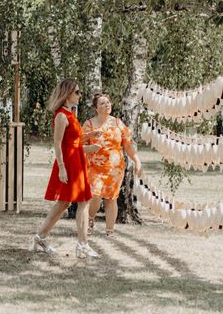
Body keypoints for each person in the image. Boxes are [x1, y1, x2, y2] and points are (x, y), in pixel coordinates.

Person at [30, 79, 102, 258]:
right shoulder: (62, 115)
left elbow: (73, 142)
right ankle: (83, 244)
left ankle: (41, 237)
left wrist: (89, 137)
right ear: (68, 94)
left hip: (76, 162)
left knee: (64, 203)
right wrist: (62, 168)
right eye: (77, 92)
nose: (80, 95)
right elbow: (58, 143)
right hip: (68, 164)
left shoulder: (71, 114)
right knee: (81, 202)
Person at [83, 93, 142, 237]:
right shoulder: (89, 124)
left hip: (115, 169)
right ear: (96, 108)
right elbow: (78, 145)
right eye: (102, 103)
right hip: (94, 167)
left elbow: (128, 145)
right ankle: (90, 219)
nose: (107, 105)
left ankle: (110, 230)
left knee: (111, 198)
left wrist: (137, 160)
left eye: (108, 102)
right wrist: (90, 145)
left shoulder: (118, 123)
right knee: (95, 195)